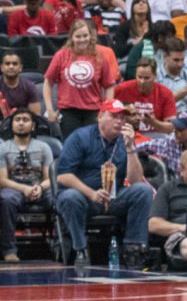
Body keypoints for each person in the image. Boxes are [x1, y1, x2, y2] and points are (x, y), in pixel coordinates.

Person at [56, 99, 153, 269]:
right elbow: (63, 176)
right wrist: (92, 194)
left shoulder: (125, 141)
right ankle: (80, 249)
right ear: (100, 117)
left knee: (142, 191)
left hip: (114, 198)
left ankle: (134, 248)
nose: (120, 121)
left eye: (122, 117)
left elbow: (135, 180)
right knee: (70, 196)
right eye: (114, 116)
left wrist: (130, 147)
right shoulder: (80, 137)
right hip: (85, 198)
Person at [43, 19, 115, 138]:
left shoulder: (99, 57)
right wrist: (49, 109)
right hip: (68, 111)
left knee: (92, 148)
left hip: (93, 111)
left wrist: (107, 110)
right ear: (71, 37)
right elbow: (47, 82)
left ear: (90, 36)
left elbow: (109, 85)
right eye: (78, 36)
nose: (82, 39)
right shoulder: (61, 55)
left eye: (85, 35)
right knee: (71, 148)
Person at [0, 107, 53, 263]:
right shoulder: (3, 148)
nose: (21, 123)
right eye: (17, 120)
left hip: (39, 188)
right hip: (14, 189)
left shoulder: (44, 147)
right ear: (11, 125)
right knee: (6, 199)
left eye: (25, 120)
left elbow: (50, 178)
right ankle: (9, 250)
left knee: (59, 196)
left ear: (33, 126)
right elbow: (2, 180)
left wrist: (40, 188)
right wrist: (24, 189)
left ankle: (66, 246)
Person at [114, 57, 177, 135]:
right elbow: (106, 115)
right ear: (135, 75)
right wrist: (125, 118)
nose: (142, 81)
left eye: (147, 78)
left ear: (155, 76)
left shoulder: (166, 94)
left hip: (155, 136)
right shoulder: (121, 89)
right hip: (127, 134)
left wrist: (153, 122)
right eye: (139, 77)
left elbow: (171, 128)